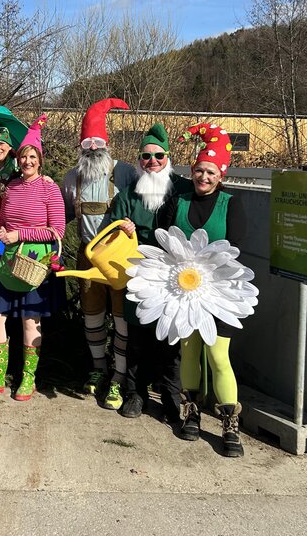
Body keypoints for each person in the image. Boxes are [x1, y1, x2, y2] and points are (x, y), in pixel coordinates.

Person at [158, 123, 247, 457]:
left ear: (220, 175)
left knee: (218, 355)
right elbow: (163, 240)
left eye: (210, 172)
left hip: (221, 292)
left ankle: (229, 423)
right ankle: (192, 412)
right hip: (183, 292)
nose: (203, 177)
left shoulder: (231, 204)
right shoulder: (178, 202)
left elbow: (235, 247)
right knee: (191, 351)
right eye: (198, 171)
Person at [0, 115, 65, 402]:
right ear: (18, 159)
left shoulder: (50, 188)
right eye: (24, 157)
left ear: (40, 160)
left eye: (33, 157)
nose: (28, 162)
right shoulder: (10, 187)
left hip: (34, 264)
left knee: (29, 320)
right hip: (9, 261)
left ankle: (28, 379)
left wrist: (20, 234)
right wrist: (0, 231)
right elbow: (6, 221)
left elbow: (56, 231)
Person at [107, 123, 190, 422]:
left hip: (176, 275)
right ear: (139, 160)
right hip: (138, 271)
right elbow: (108, 230)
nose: (152, 162)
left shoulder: (183, 189)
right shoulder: (128, 194)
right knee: (137, 336)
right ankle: (135, 393)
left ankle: (170, 396)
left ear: (168, 157)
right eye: (145, 157)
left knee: (170, 337)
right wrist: (121, 228)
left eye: (158, 156)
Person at [61, 98, 134, 410]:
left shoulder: (126, 173)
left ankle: (119, 377)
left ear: (106, 144)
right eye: (87, 143)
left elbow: (148, 206)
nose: (92, 149)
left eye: (97, 143)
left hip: (119, 260)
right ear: (81, 146)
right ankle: (98, 368)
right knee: (92, 317)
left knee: (121, 320)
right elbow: (59, 216)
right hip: (87, 258)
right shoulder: (70, 177)